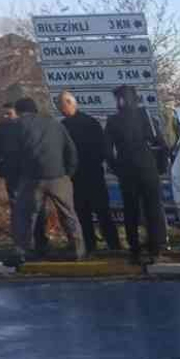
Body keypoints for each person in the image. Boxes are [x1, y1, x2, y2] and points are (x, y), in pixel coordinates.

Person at [4, 97, 84, 265]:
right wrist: (68, 172)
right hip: (59, 175)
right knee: (68, 213)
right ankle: (78, 249)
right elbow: (71, 150)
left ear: (18, 112)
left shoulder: (16, 126)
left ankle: (22, 251)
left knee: (25, 215)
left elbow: (12, 155)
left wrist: (15, 176)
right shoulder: (55, 124)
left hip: (32, 178)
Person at [105, 85, 165, 265]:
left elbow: (107, 151)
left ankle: (135, 249)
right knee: (153, 209)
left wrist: (117, 169)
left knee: (130, 211)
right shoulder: (146, 117)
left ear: (119, 100)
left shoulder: (113, 121)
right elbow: (162, 144)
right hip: (148, 169)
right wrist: (159, 168)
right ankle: (155, 248)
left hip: (127, 171)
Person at [58, 91, 120, 253]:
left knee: (85, 212)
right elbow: (102, 148)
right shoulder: (91, 122)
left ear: (71, 103)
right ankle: (112, 244)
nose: (59, 109)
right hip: (92, 172)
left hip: (80, 174)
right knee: (100, 212)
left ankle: (91, 244)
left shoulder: (64, 126)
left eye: (61, 105)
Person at [0, 102, 47, 256]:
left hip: (31, 174)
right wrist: (3, 170)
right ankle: (22, 244)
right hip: (13, 176)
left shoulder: (28, 128)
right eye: (3, 114)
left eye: (9, 113)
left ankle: (41, 241)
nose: (5, 117)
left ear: (17, 113)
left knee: (37, 207)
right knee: (18, 210)